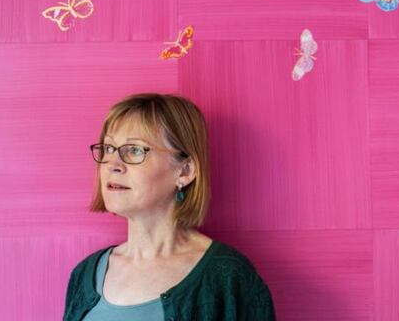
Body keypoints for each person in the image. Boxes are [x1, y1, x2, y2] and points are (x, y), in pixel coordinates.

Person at [63, 93, 275, 320]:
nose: (112, 164)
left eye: (134, 150)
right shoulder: (84, 274)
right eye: (108, 148)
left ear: (185, 171)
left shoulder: (228, 277)